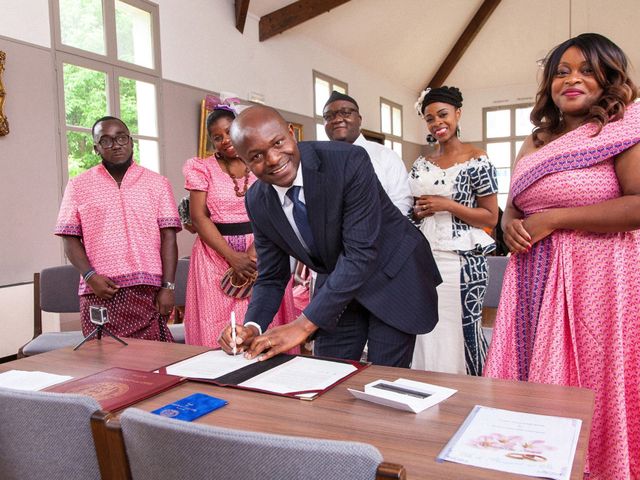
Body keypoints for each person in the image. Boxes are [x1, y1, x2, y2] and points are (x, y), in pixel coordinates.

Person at [484, 33, 640, 478]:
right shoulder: (536, 141)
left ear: (609, 77)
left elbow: (637, 205)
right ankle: (533, 463)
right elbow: (516, 203)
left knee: (591, 379)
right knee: (533, 380)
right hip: (532, 275)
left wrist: (554, 220)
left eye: (586, 70)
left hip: (599, 279)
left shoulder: (624, 127)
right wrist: (511, 223)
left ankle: (599, 465)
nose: (572, 79)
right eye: (561, 72)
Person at [218, 105, 441, 368]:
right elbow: (271, 275)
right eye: (256, 156)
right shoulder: (258, 201)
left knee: (382, 380)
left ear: (291, 133)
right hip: (337, 281)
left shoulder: (347, 161)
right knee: (326, 371)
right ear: (244, 163)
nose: (274, 159)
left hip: (391, 273)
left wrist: (302, 326)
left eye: (278, 143)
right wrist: (253, 326)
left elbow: (360, 253)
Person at [55, 116, 180, 341]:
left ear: (131, 142)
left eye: (121, 138)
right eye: (106, 141)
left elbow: (168, 237)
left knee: (154, 362)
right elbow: (69, 238)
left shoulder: (158, 183)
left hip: (148, 292)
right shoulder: (78, 185)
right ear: (96, 148)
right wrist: (91, 277)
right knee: (104, 364)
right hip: (99, 290)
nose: (116, 145)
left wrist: (168, 287)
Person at [182, 102, 297, 348]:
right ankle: (218, 378)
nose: (225, 140)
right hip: (214, 254)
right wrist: (232, 256)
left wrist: (254, 252)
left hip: (264, 246)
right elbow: (199, 217)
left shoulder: (262, 160)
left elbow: (278, 204)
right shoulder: (201, 168)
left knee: (265, 314)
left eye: (229, 131)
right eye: (217, 137)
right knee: (215, 321)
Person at [409, 86, 499, 376]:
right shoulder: (421, 164)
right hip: (423, 257)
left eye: (443, 115)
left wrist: (447, 204)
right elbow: (411, 209)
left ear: (458, 114)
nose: (437, 123)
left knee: (460, 327)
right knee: (424, 327)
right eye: (430, 118)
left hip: (461, 260)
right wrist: (418, 211)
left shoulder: (477, 160)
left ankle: (467, 390)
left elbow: (491, 216)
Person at [323, 91, 412, 213]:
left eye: (345, 113)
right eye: (329, 116)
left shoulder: (386, 156)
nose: (337, 119)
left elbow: (402, 201)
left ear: (359, 119)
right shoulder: (319, 161)